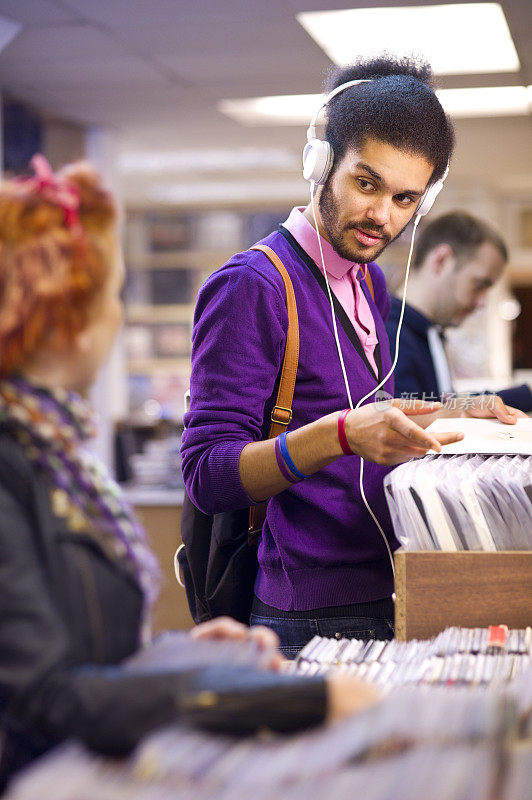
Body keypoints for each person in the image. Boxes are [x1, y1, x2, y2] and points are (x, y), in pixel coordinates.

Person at [0, 156, 380, 791]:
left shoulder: (51, 452)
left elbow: (73, 653)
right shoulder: (16, 466)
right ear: (63, 318)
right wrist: (288, 701)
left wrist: (171, 657)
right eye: (112, 295)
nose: (118, 318)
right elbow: (45, 697)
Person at [180, 56, 521, 658]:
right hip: (305, 609)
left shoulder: (368, 284)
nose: (382, 216)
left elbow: (369, 410)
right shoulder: (253, 286)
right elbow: (208, 473)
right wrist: (337, 435)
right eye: (367, 184)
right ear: (321, 164)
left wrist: (463, 410)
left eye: (406, 198)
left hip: (393, 584)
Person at [385, 211, 532, 411]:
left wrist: (525, 396)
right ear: (442, 260)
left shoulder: (425, 332)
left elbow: (441, 405)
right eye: (479, 285)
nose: (482, 303)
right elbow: (410, 422)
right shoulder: (390, 334)